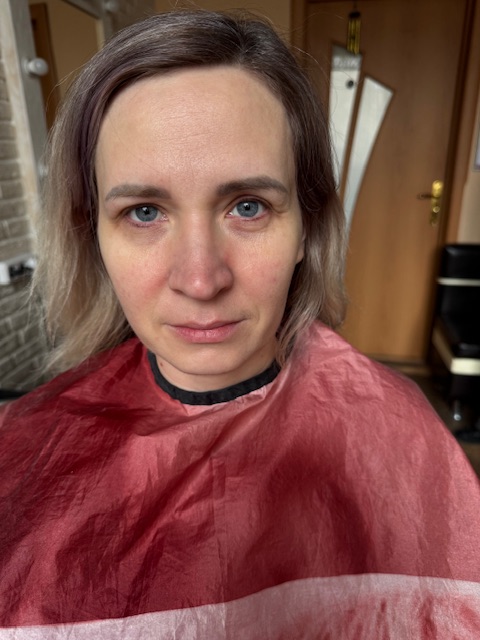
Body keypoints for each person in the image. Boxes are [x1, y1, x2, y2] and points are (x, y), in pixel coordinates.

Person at [1, 9, 480, 639]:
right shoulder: (25, 446)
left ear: (307, 228)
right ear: (92, 236)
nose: (201, 280)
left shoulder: (405, 440)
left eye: (248, 206)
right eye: (144, 211)